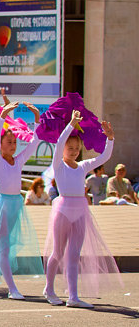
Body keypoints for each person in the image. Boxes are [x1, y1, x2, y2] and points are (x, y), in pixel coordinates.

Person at [43, 110, 118, 308]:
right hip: (63, 209)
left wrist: (110, 138)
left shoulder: (83, 166)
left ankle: (73, 297)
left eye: (77, 148)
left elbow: (104, 158)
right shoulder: (58, 165)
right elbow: (59, 145)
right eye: (71, 147)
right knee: (58, 252)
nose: (74, 150)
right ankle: (49, 289)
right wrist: (71, 125)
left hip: (80, 210)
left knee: (74, 254)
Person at [0, 101, 42, 300]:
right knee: (3, 247)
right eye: (9, 143)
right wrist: (3, 117)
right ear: (1, 146)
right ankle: (12, 289)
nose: (13, 146)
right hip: (2, 205)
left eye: (14, 142)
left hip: (15, 204)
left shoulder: (19, 160)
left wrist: (37, 120)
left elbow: (35, 143)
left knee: (2, 245)